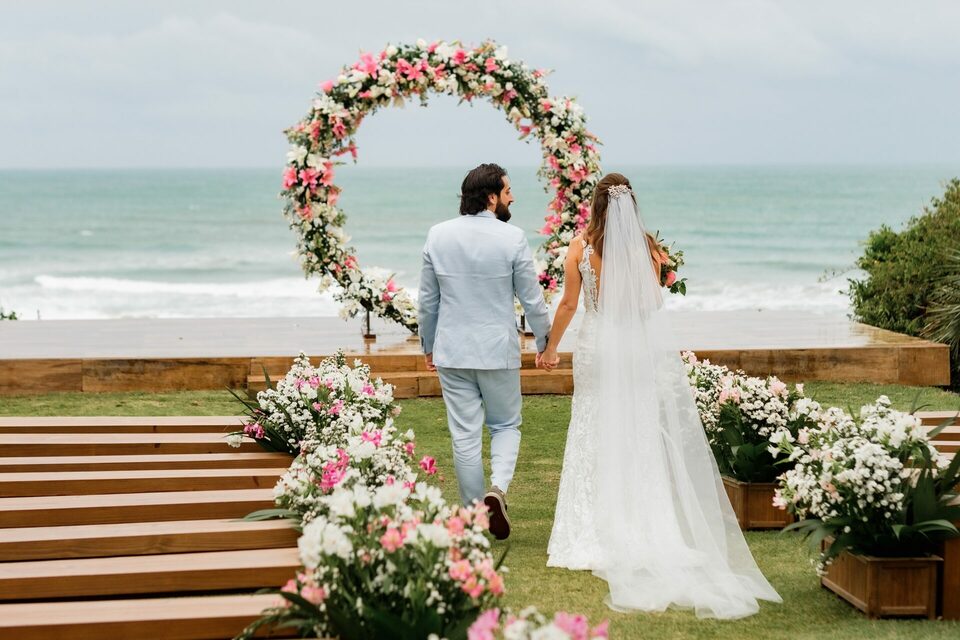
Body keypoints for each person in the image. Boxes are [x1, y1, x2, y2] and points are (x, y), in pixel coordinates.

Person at [542, 173, 782, 618]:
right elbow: (651, 307)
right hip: (634, 348)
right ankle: (646, 521)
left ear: (595, 206)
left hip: (597, 347)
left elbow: (571, 305)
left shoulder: (579, 248)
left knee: (594, 422)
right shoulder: (647, 250)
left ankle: (592, 526)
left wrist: (551, 347)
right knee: (636, 424)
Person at [418, 163, 551, 540]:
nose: (512, 197)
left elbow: (427, 302)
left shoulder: (437, 235)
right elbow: (533, 300)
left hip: (452, 351)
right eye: (507, 190)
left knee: (464, 435)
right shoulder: (513, 238)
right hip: (497, 350)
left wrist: (428, 345)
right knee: (506, 424)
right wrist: (545, 343)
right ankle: (499, 489)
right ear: (491, 196)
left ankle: (474, 517)